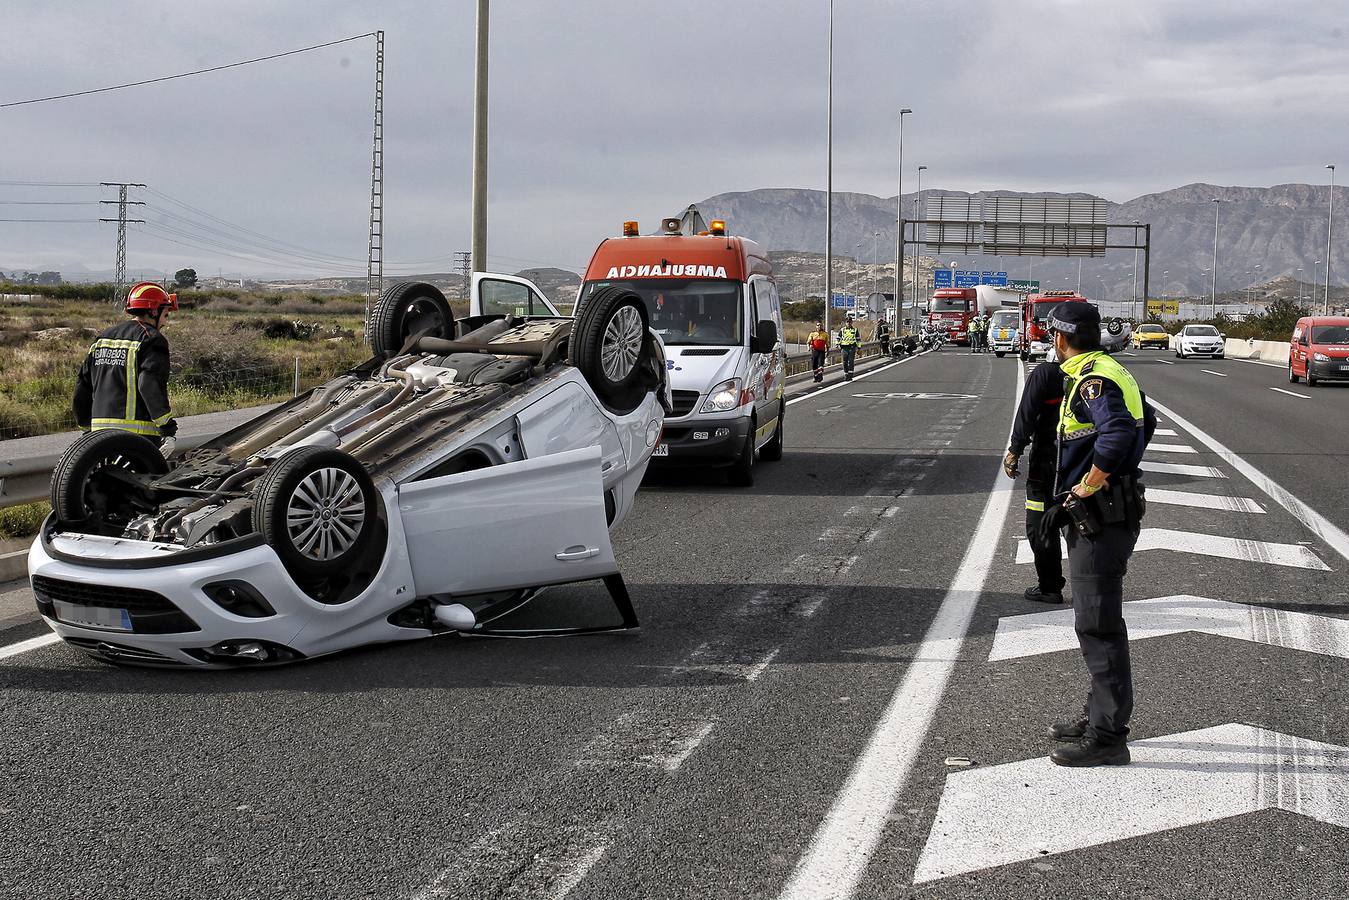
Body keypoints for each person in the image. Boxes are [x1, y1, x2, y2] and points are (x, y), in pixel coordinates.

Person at [1041, 301, 1156, 768]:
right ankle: (1097, 716)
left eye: (1052, 335)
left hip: (1101, 517)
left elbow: (1117, 435)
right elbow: (1147, 420)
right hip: (1108, 511)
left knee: (1098, 623)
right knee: (1096, 619)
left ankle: (1109, 736)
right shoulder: (1109, 368)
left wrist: (1085, 488)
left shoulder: (1093, 378)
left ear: (1060, 338)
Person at [74, 281, 179, 455]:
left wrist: (86, 426)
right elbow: (149, 385)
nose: (165, 323)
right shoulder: (152, 339)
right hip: (137, 439)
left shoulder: (103, 338)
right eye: (166, 315)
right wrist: (167, 428)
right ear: (154, 311)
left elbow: (83, 385)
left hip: (98, 438)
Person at [1004, 359, 1066, 604]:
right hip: (1090, 469)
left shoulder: (1047, 374)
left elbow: (1027, 413)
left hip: (1047, 465)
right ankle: (1096, 590)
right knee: (1088, 527)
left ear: (1060, 338)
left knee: (1040, 524)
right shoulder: (1110, 371)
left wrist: (1014, 451)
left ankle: (1050, 587)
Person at [838, 315, 860, 381]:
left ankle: (850, 375)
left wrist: (859, 348)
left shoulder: (855, 330)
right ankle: (846, 374)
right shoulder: (842, 330)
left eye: (850, 322)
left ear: (851, 322)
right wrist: (837, 344)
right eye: (847, 322)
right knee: (844, 362)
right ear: (845, 323)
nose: (848, 323)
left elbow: (858, 339)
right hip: (844, 348)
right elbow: (838, 338)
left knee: (850, 362)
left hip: (851, 347)